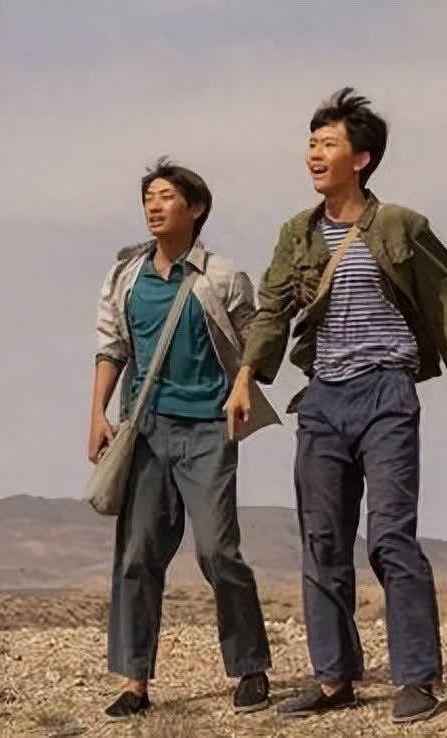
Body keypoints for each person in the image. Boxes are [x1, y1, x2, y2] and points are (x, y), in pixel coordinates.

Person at [226, 88, 447, 725]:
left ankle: (416, 677)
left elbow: (446, 295)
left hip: (386, 390)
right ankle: (334, 676)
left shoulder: (399, 225)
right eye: (311, 143)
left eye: (329, 143)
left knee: (391, 536)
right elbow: (273, 309)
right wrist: (247, 377)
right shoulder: (297, 233)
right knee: (322, 540)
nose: (315, 154)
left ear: (361, 158)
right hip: (322, 398)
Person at [89, 158, 278, 718]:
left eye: (166, 196)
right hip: (145, 431)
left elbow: (255, 342)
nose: (154, 205)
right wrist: (98, 414)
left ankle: (249, 666)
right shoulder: (125, 277)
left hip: (208, 432)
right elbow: (112, 345)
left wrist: (241, 389)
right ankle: (134, 682)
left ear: (195, 208)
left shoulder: (222, 276)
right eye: (149, 196)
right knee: (136, 555)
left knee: (218, 551)